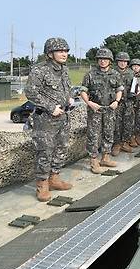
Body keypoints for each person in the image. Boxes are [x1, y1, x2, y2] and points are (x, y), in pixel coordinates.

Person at [25, 37, 74, 202]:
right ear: (50, 53)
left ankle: (54, 178)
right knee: (45, 151)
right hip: (45, 118)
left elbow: (66, 87)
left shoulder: (64, 69)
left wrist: (70, 98)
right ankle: (42, 184)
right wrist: (50, 107)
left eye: (66, 51)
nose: (64, 54)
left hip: (63, 117)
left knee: (62, 147)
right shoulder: (40, 70)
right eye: (60, 51)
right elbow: (31, 93)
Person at [80, 48, 123, 174]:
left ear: (110, 60)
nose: (103, 61)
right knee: (94, 134)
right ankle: (93, 160)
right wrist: (89, 103)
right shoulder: (90, 74)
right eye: (100, 59)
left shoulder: (115, 74)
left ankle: (105, 157)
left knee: (109, 133)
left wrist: (117, 101)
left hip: (110, 109)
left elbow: (119, 89)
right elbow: (83, 91)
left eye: (105, 59)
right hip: (95, 109)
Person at [113, 52, 135, 154]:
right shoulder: (112, 72)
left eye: (125, 61)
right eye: (121, 61)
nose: (122, 63)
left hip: (128, 102)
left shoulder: (131, 73)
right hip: (116, 102)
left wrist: (134, 92)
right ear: (117, 62)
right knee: (116, 123)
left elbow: (135, 86)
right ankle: (116, 144)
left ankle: (125, 142)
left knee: (128, 123)